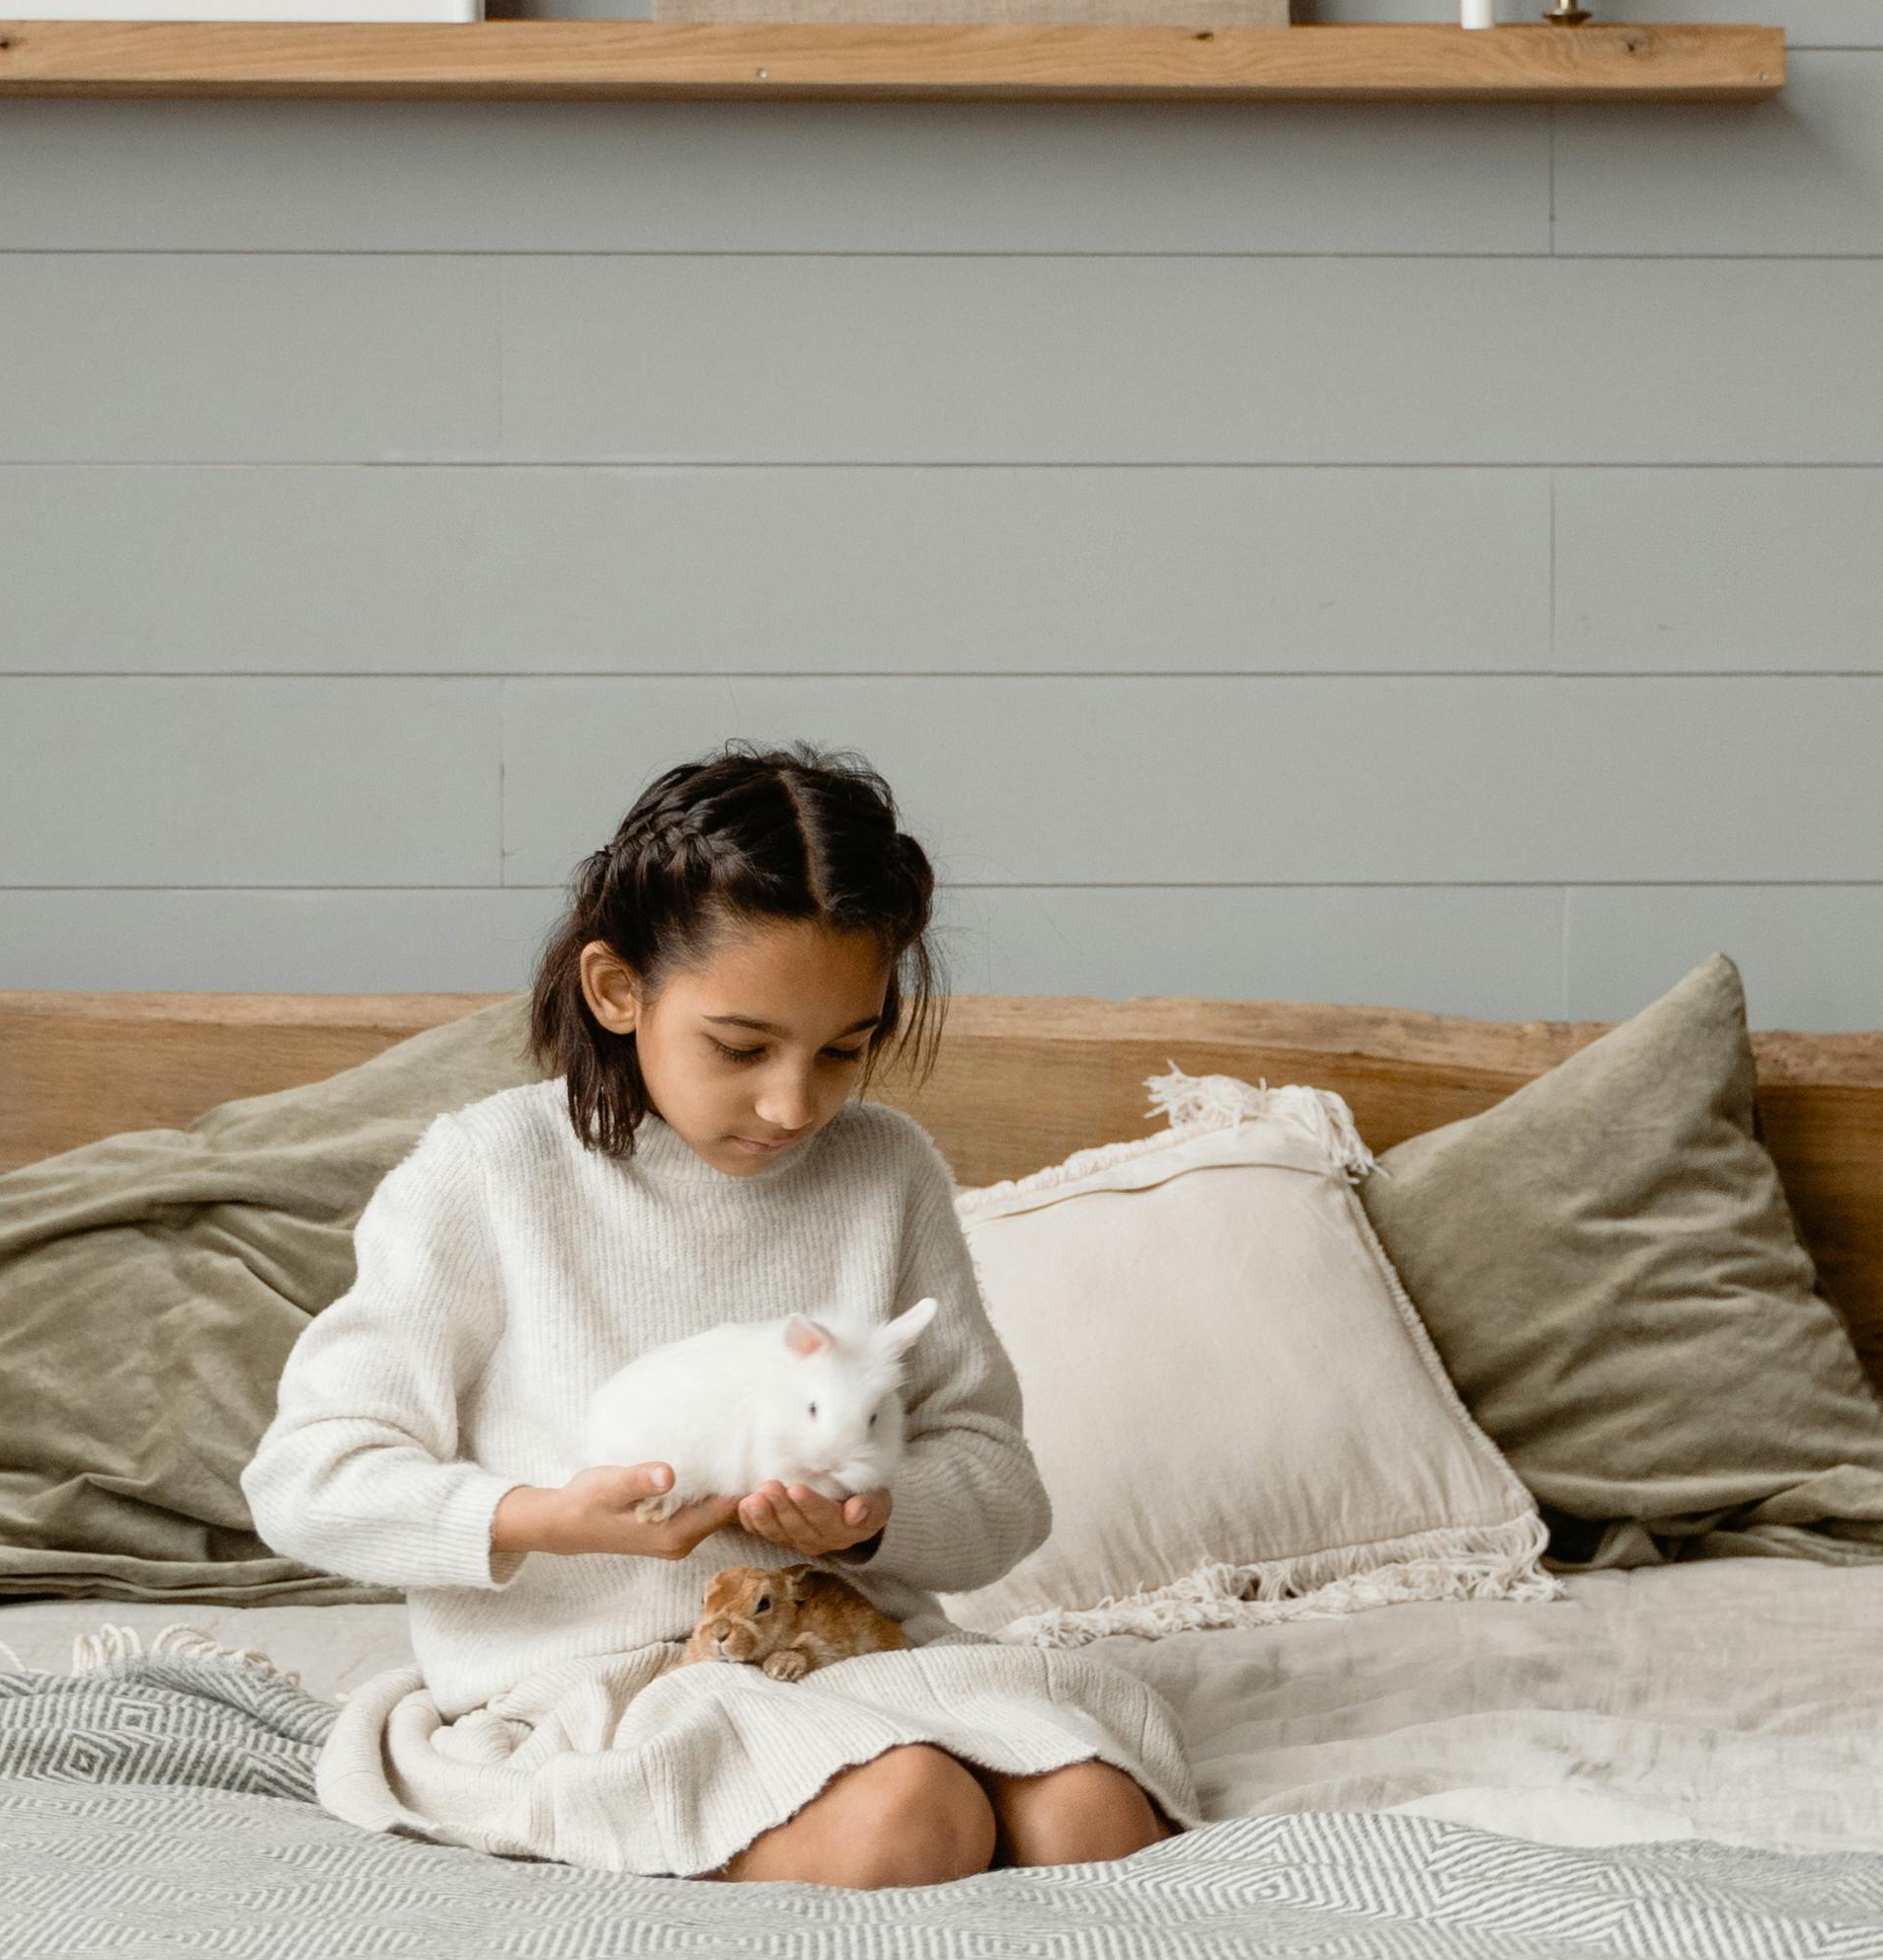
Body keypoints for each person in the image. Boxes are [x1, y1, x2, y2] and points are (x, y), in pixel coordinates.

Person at [242, 751, 1188, 1889]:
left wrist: (872, 1523)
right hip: (600, 1683)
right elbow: (304, 1479)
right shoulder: (488, 1174)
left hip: (849, 1650)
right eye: (741, 1048)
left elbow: (1001, 1488)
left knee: (1092, 1815)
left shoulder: (885, 1171)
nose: (794, 1104)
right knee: (914, 1818)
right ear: (616, 988)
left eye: (844, 1048)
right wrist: (545, 1516)